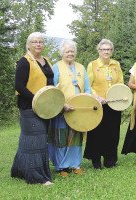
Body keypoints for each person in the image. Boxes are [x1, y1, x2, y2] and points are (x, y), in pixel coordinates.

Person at [11, 32, 53, 185]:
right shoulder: (24, 61)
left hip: (45, 107)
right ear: (28, 44)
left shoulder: (46, 60)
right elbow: (19, 86)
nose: (38, 44)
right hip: (29, 107)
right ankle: (37, 177)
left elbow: (50, 82)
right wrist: (36, 98)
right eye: (34, 42)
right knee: (36, 141)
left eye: (41, 42)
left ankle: (19, 170)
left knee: (30, 140)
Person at [48, 39, 91, 177]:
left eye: (72, 51)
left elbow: (88, 88)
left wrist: (86, 101)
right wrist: (62, 105)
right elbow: (53, 90)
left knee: (77, 138)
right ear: (62, 53)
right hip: (62, 110)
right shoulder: (56, 67)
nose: (70, 53)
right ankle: (62, 167)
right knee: (61, 139)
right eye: (67, 51)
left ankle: (75, 165)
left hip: (78, 110)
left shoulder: (81, 67)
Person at [84, 39, 124, 169]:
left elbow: (120, 83)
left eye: (108, 49)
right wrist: (97, 96)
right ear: (99, 51)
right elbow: (88, 85)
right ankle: (96, 160)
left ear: (111, 51)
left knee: (112, 132)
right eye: (103, 49)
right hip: (98, 104)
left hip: (114, 104)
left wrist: (118, 95)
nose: (106, 52)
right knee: (97, 133)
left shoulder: (116, 64)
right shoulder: (92, 65)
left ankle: (110, 160)